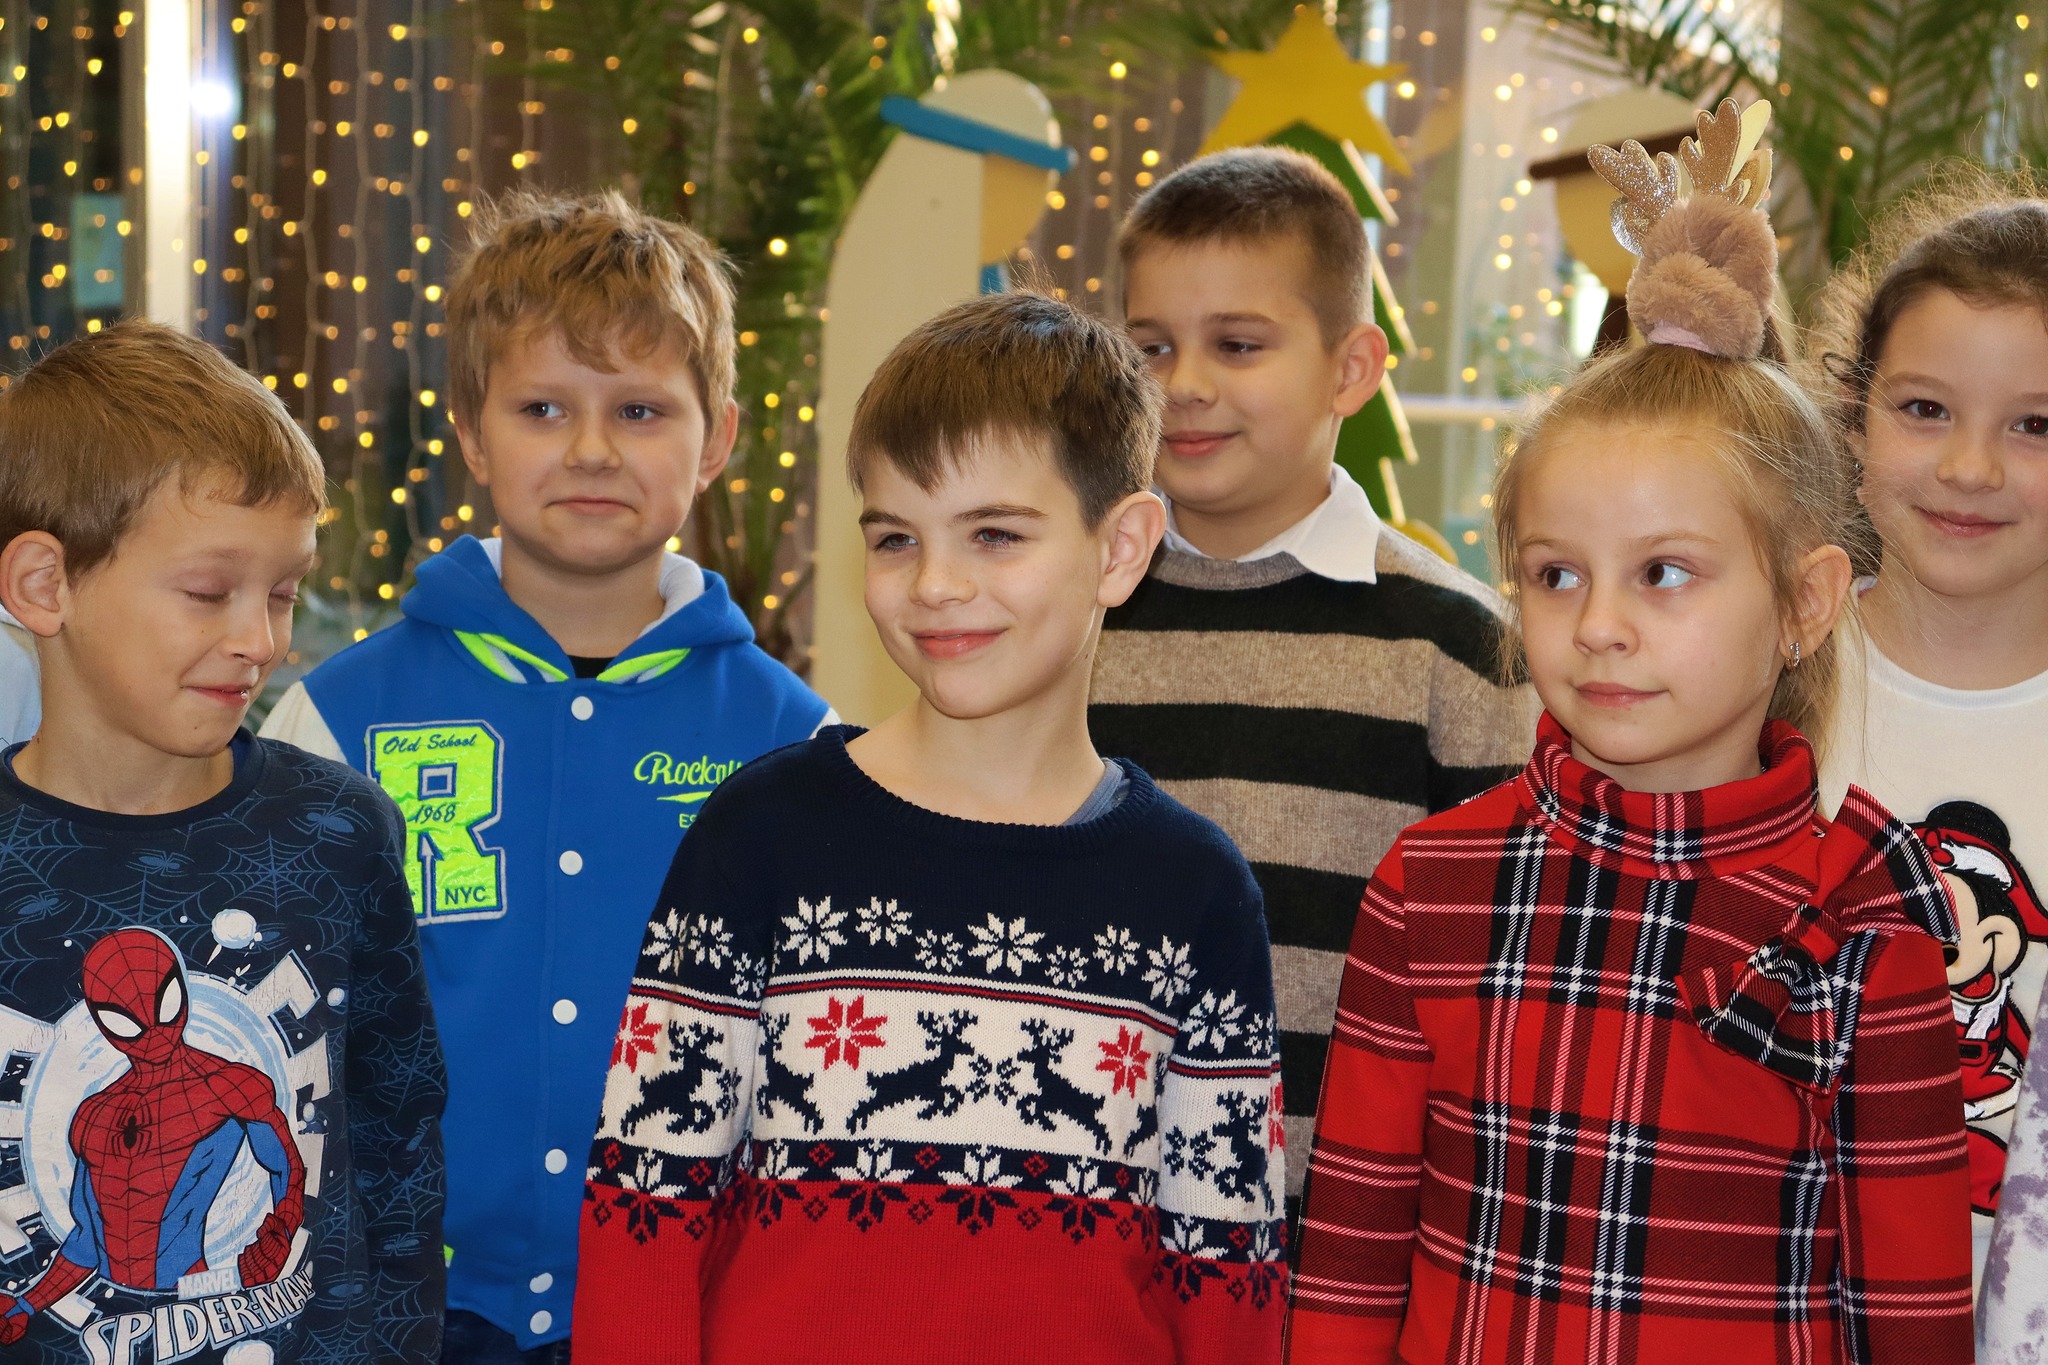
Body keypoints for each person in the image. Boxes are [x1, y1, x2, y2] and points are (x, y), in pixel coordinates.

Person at [1287, 102, 1972, 1363]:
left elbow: (1911, 1315)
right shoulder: (1429, 889)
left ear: (1803, 604)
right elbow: (1346, 1269)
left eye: (1662, 573)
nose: (1597, 626)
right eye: (1555, 575)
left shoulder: (1868, 918)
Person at [573, 291, 1286, 1364]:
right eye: (896, 538)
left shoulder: (1195, 889)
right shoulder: (760, 835)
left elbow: (1225, 1272)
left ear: (1120, 547)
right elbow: (645, 1211)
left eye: (994, 534)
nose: (937, 585)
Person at [260, 189, 831, 1361]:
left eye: (639, 409)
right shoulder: (339, 717)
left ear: (717, 439)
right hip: (404, 1307)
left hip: (691, 1306)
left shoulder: (795, 742)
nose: (590, 450)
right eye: (541, 408)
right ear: (472, 435)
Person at [1089, 147, 1537, 1220]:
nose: (1184, 384)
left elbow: (1499, 977)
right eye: (1150, 347)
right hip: (1091, 1212)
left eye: (1238, 344)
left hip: (1346, 1232)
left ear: (1351, 368)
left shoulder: (1457, 646)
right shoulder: (1073, 617)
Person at [0, 322, 445, 1364]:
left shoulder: (338, 835)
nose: (261, 641)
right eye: (209, 593)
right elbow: (85, 1235)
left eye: (284, 593)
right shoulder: (94, 1115)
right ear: (45, 586)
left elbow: (399, 1130)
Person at [1814, 174, 2048, 1345]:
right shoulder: (1750, 694)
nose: (1968, 468)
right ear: (1852, 416)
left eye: (2033, 426)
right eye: (1922, 409)